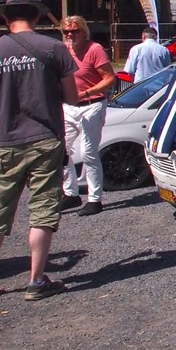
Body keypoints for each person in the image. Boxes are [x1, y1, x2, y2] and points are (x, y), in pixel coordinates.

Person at [0, 0, 78, 300]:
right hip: (46, 138)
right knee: (43, 209)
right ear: (36, 16)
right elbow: (72, 97)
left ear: (6, 18)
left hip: (5, 139)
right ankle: (35, 280)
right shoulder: (55, 48)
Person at [59, 15, 117, 217]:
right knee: (61, 150)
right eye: (66, 31)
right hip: (69, 106)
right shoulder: (64, 50)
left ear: (83, 31)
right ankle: (70, 193)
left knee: (88, 152)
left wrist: (85, 93)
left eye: (74, 31)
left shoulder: (95, 50)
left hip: (91, 104)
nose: (69, 34)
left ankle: (95, 199)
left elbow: (110, 78)